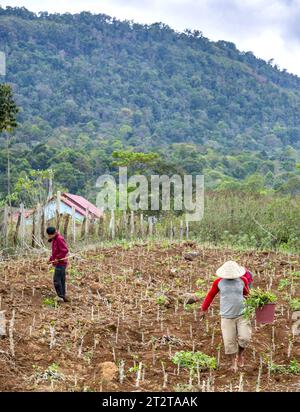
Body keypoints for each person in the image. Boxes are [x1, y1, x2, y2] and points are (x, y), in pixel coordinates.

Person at [199, 261, 251, 372]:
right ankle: (233, 363)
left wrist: (256, 302)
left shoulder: (243, 280)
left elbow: (246, 294)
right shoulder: (219, 282)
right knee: (229, 341)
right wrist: (204, 309)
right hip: (227, 316)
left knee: (245, 338)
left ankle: (240, 354)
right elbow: (210, 295)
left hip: (242, 314)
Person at [47, 226, 69, 303]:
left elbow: (65, 250)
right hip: (59, 262)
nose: (49, 237)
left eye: (50, 235)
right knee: (61, 280)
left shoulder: (59, 239)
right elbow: (55, 251)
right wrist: (51, 259)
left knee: (56, 280)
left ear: (54, 233)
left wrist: (57, 258)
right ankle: (63, 296)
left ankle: (60, 296)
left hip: (61, 263)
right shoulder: (54, 239)